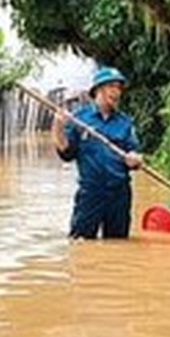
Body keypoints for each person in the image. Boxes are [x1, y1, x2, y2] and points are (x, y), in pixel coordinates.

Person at [54, 67, 144, 239]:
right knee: (80, 243)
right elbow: (66, 153)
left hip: (119, 193)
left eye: (118, 87)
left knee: (118, 244)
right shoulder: (79, 119)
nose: (117, 92)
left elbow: (134, 152)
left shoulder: (125, 122)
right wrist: (58, 127)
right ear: (98, 90)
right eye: (112, 87)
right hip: (90, 192)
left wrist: (135, 159)